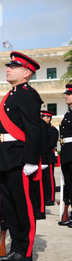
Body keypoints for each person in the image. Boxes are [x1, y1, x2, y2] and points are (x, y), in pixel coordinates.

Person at [0, 52, 43, 261]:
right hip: (5, 155)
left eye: (13, 66)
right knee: (10, 206)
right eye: (9, 66)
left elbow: (34, 129)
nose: (8, 69)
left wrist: (31, 160)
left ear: (25, 73)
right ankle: (15, 248)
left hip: (19, 157)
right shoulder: (11, 95)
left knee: (22, 206)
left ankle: (25, 252)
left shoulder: (28, 95)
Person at [59, 84, 72, 227]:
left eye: (69, 94)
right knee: (69, 185)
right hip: (67, 153)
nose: (66, 96)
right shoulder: (68, 114)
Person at [39, 110, 58, 208]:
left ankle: (50, 198)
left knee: (49, 179)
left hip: (48, 157)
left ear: (49, 118)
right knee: (41, 179)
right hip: (41, 157)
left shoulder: (52, 129)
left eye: (43, 116)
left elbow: (51, 143)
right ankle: (43, 197)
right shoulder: (40, 128)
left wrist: (42, 148)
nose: (41, 118)